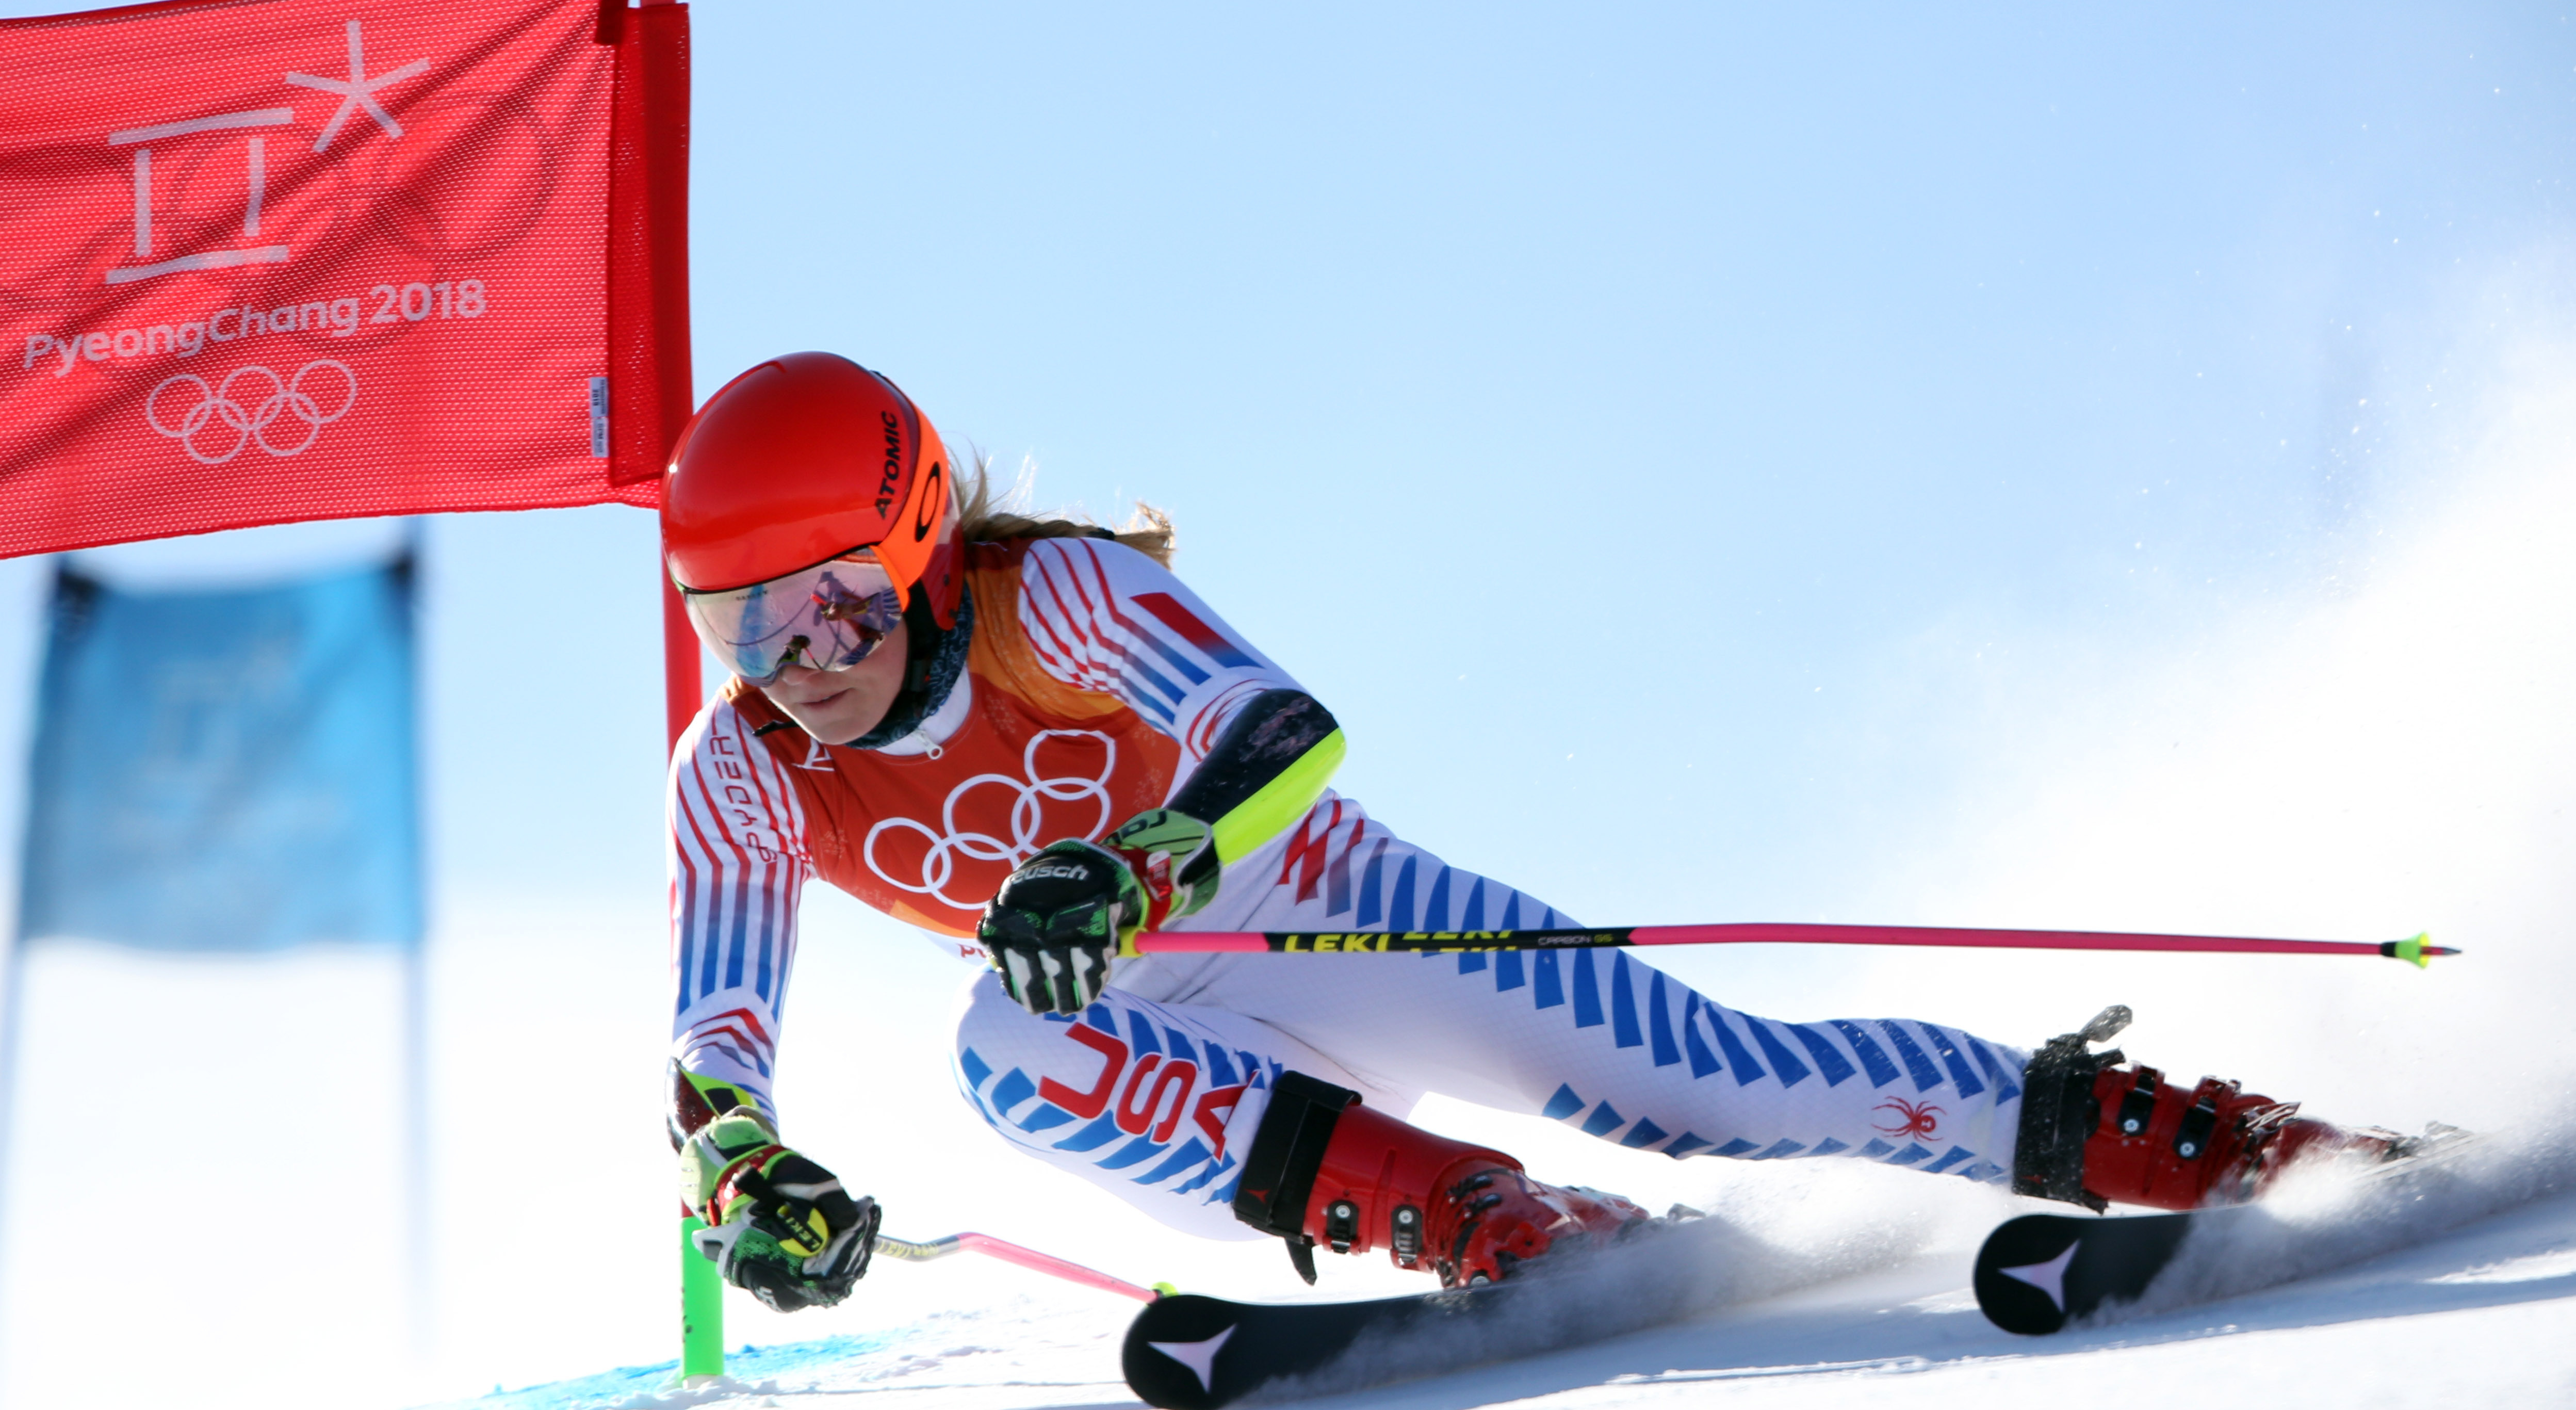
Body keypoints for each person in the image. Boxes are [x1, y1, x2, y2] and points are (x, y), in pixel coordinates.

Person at [663, 353, 2408, 1313]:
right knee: (1003, 1044)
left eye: (826, 607)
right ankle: (1488, 1224)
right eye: (744, 628)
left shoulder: (1052, 595)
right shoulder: (743, 775)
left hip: (1340, 913)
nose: (799, 665)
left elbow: (1281, 732)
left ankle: (2216, 1146)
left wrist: (1140, 862)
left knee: (1733, 1092)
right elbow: (714, 1033)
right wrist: (746, 1171)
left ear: (908, 542)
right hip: (1175, 1070)